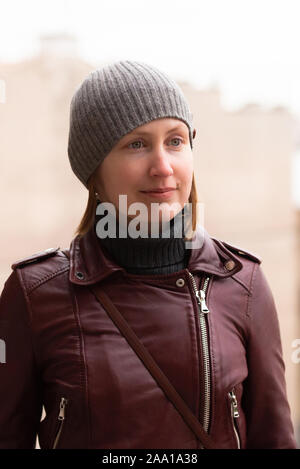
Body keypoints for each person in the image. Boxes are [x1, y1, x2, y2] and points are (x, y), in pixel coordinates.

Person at [0, 60, 297, 450]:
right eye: (136, 144)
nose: (163, 166)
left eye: (175, 141)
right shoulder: (35, 294)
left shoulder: (244, 284)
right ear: (95, 173)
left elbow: (274, 439)